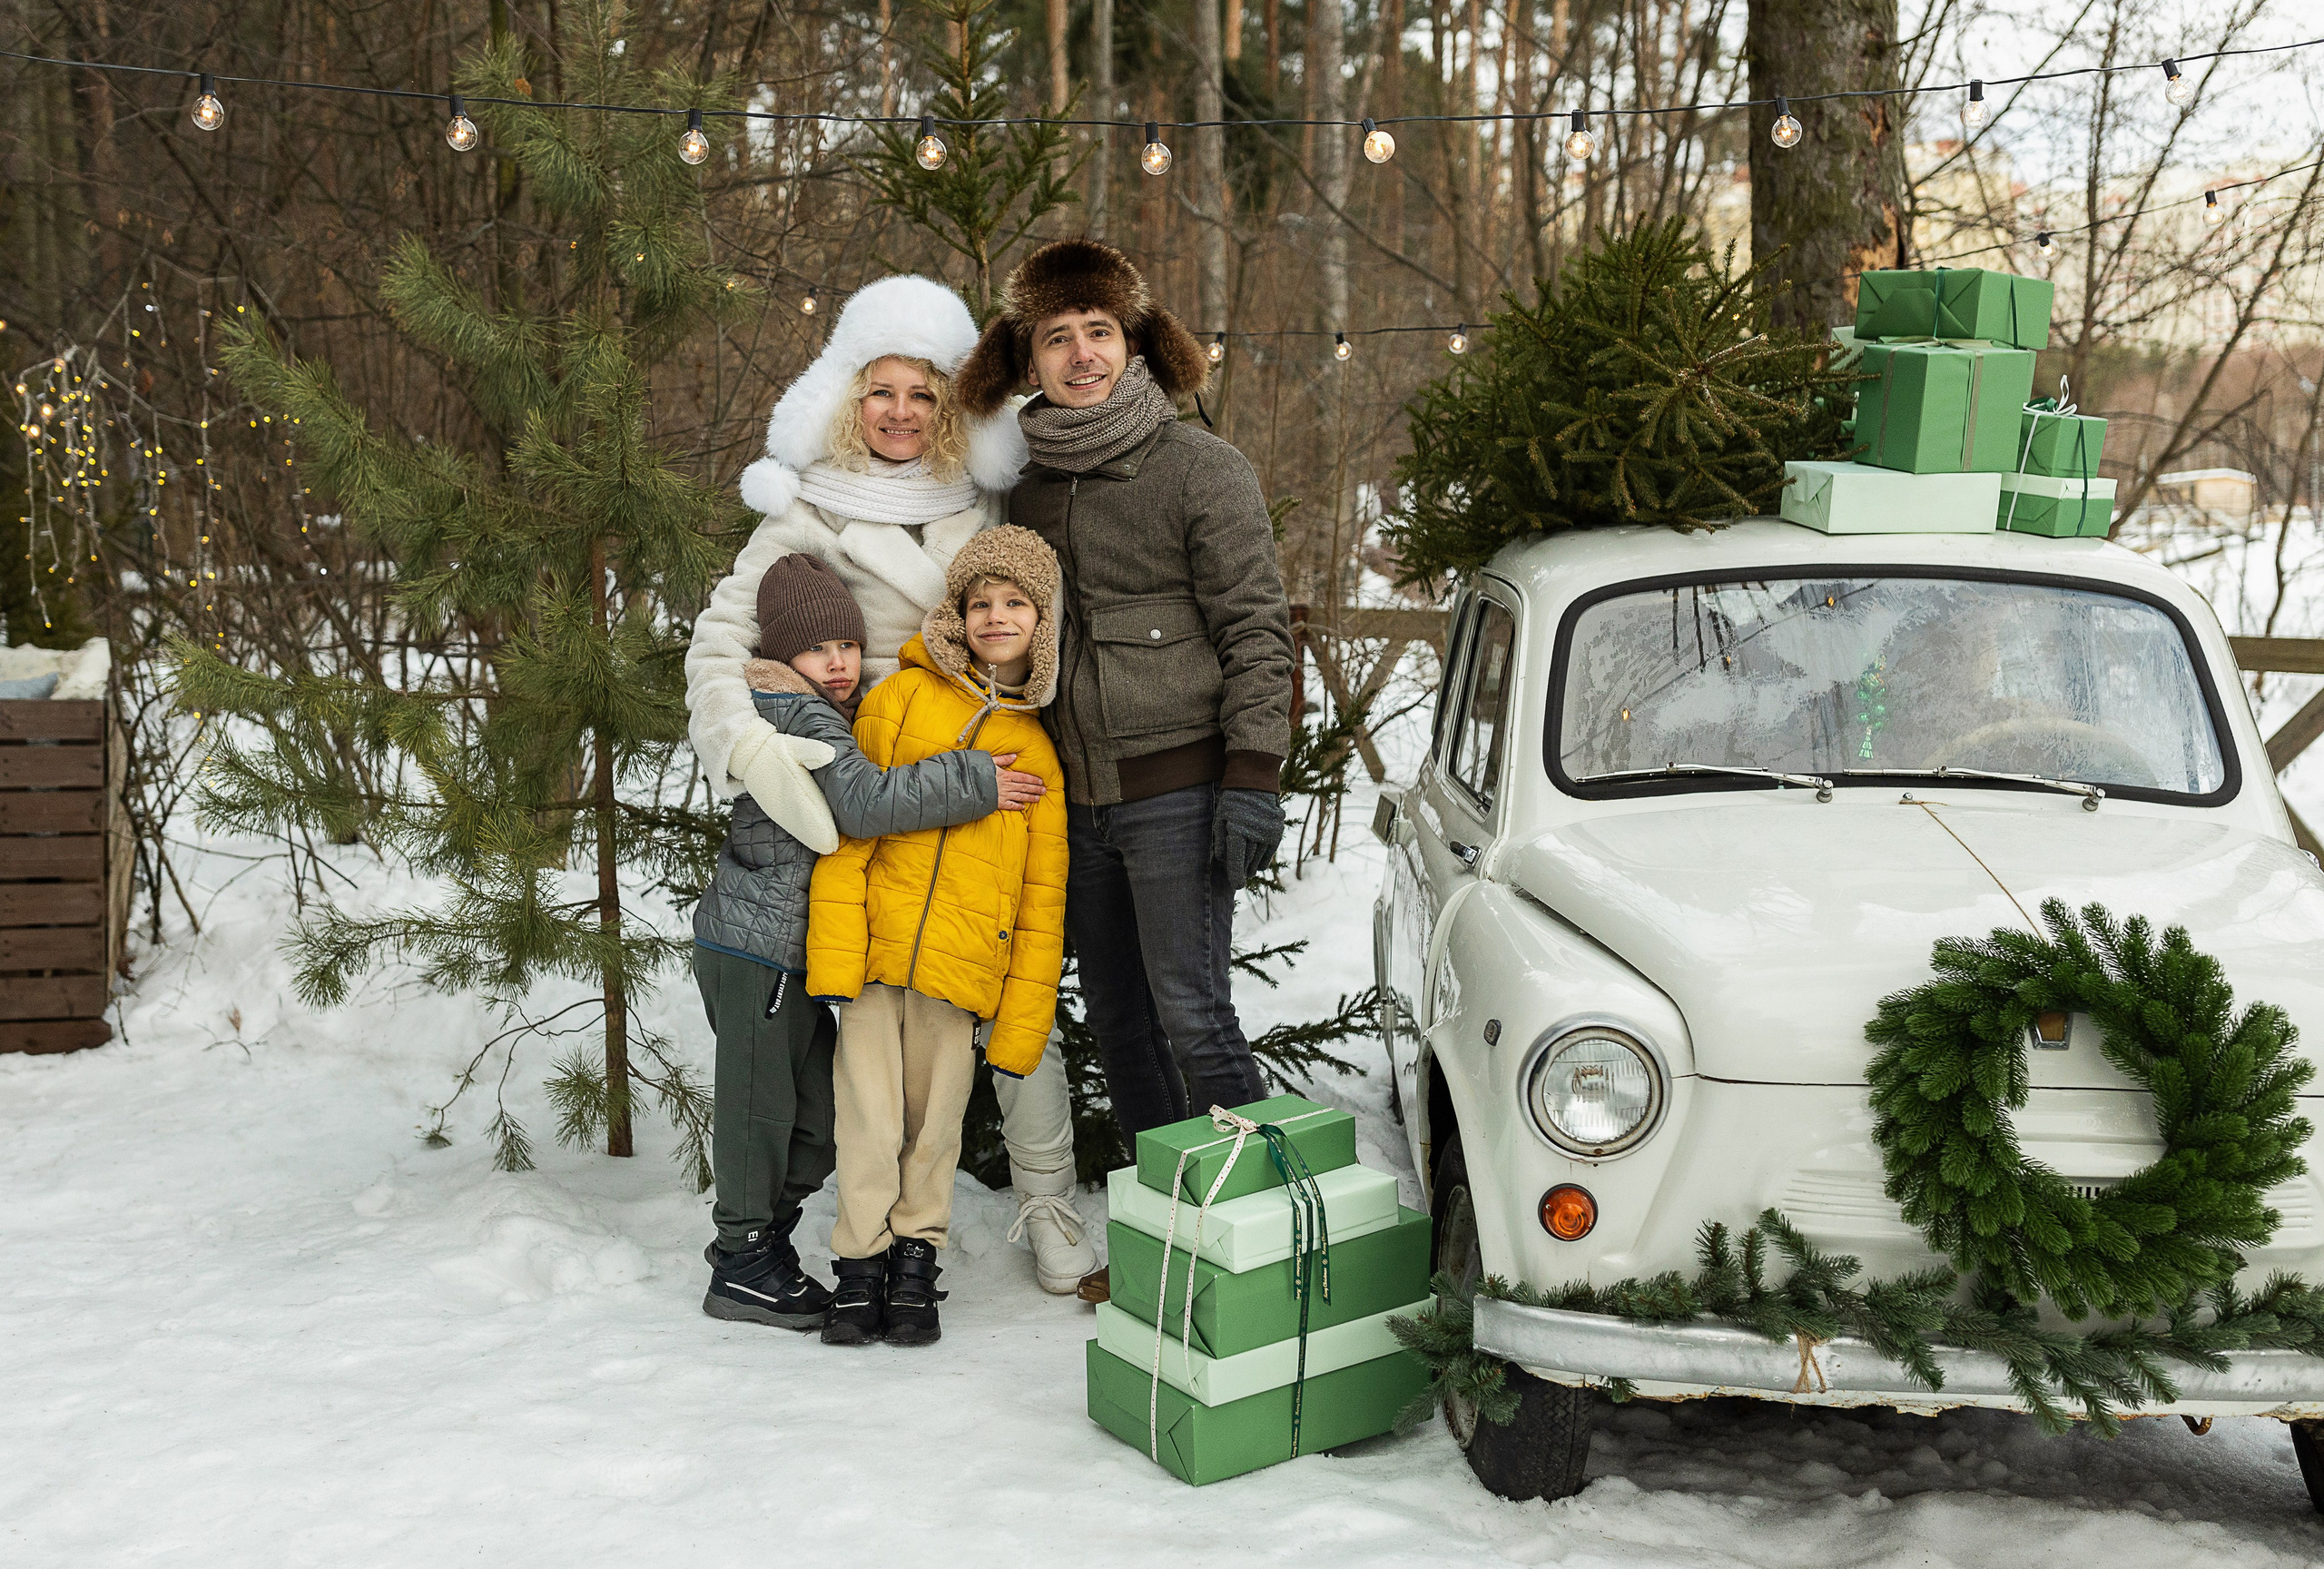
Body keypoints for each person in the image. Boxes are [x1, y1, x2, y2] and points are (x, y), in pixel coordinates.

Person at [687, 275, 1097, 1293]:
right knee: (853, 1012)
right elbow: (718, 644)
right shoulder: (809, 508)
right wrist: (756, 751)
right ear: (846, 398)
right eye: (882, 391)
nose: (902, 413)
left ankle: (1044, 1198)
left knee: (998, 981)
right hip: (857, 785)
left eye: (923, 392)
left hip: (976, 771)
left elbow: (1025, 621)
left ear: (952, 404)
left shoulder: (984, 507)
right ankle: (852, 1235)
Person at [956, 240, 1295, 1153]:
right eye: (1056, 338)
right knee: (1119, 1024)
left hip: (1175, 793)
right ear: (1028, 361)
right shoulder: (1015, 485)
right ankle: (1169, 1229)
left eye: (1098, 331)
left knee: (1193, 1016)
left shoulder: (1199, 468)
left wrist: (1253, 775)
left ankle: (1257, 1234)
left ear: (1134, 344)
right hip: (1075, 801)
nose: (1081, 355)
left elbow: (1256, 629)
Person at [689, 553, 1042, 1329]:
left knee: (818, 1122)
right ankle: (743, 1258)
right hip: (755, 948)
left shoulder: (824, 710)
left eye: (847, 646)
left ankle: (760, 1243)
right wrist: (976, 780)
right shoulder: (791, 711)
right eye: (818, 651)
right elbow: (861, 802)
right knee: (757, 1114)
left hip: (792, 953)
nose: (839, 664)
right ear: (784, 656)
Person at [804, 528, 1070, 1347]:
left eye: (1015, 603)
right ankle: (859, 1266)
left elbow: (1039, 904)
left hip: (962, 976)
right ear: (955, 614)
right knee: (870, 1123)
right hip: (880, 960)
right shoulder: (897, 702)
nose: (995, 617)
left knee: (935, 1129)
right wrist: (837, 958)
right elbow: (850, 837)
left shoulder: (1038, 753)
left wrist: (1021, 1020)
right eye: (979, 602)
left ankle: (915, 1263)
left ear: (1043, 623)